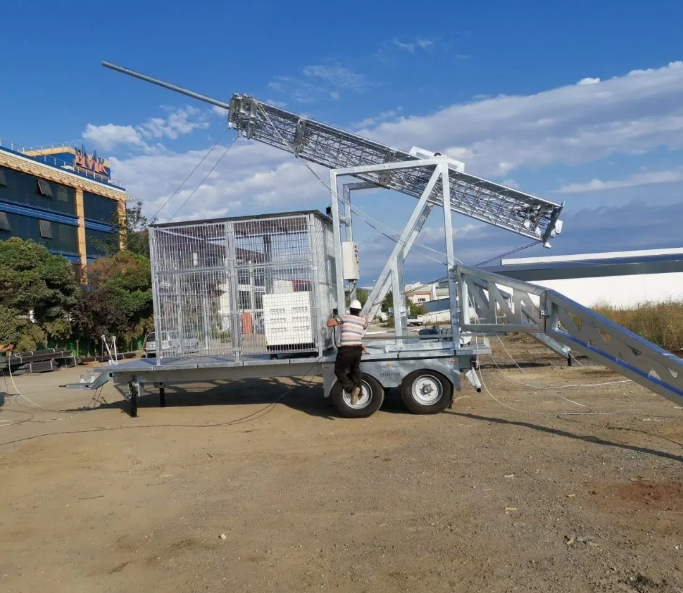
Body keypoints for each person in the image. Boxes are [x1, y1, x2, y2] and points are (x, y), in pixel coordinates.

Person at [326, 299, 369, 405]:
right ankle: (358, 392)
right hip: (358, 349)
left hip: (346, 349)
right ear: (359, 311)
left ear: (350, 309)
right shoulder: (362, 321)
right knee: (355, 370)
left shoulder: (344, 317)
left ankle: (351, 389)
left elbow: (329, 324)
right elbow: (365, 325)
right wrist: (366, 319)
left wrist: (334, 317)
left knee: (339, 371)